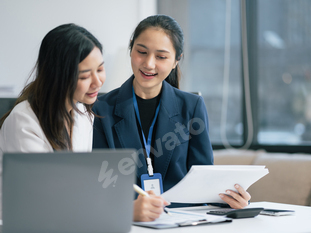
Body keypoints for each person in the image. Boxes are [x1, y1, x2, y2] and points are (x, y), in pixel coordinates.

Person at [92, 15, 250, 222]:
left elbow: (203, 178)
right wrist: (127, 210)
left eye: (161, 57)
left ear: (176, 61)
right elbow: (97, 184)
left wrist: (231, 199)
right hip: (128, 222)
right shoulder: (100, 109)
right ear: (131, 50)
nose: (149, 64)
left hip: (182, 222)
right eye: (141, 52)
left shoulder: (191, 106)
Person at [0, 23, 105, 152]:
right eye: (84, 76)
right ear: (58, 76)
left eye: (100, 69)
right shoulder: (24, 122)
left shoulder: (83, 114)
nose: (98, 82)